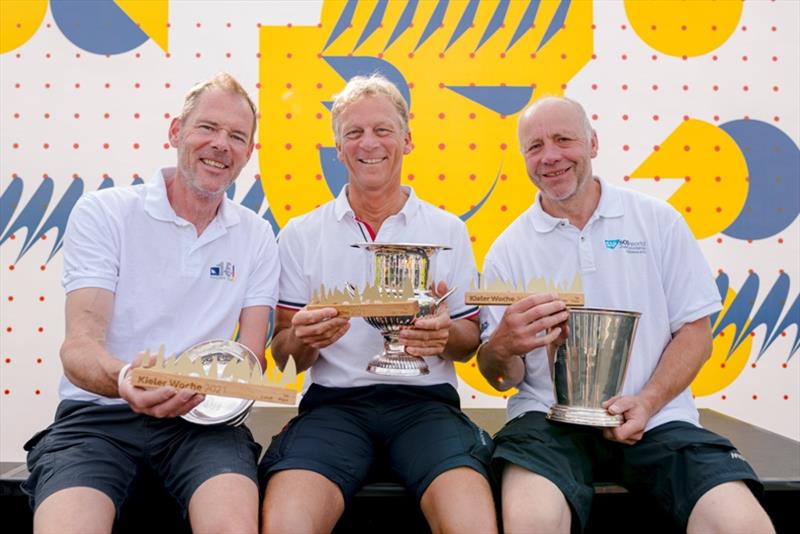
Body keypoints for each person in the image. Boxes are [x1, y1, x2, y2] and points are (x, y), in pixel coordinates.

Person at [476, 96, 774, 533]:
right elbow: (501, 377)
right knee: (531, 524)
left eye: (564, 139)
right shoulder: (507, 248)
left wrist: (647, 402)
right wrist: (502, 345)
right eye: (535, 146)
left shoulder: (658, 221)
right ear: (523, 158)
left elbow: (696, 334)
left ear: (593, 143)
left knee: (745, 527)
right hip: (545, 420)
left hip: (657, 417)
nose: (551, 156)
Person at [22, 73, 279, 534]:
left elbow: (251, 358)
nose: (221, 144)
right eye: (208, 128)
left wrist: (217, 394)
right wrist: (127, 380)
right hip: (96, 420)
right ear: (176, 131)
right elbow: (78, 349)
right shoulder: (104, 213)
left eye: (237, 136)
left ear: (247, 154)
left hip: (205, 430)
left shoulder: (257, 235)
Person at [259, 74, 497, 534]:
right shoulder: (300, 235)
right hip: (334, 408)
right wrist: (305, 341)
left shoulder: (446, 230)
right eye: (354, 133)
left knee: (473, 523)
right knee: (287, 522)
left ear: (407, 140)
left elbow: (469, 343)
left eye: (383, 130)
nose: (370, 143)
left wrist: (444, 336)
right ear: (338, 147)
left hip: (427, 406)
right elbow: (284, 355)